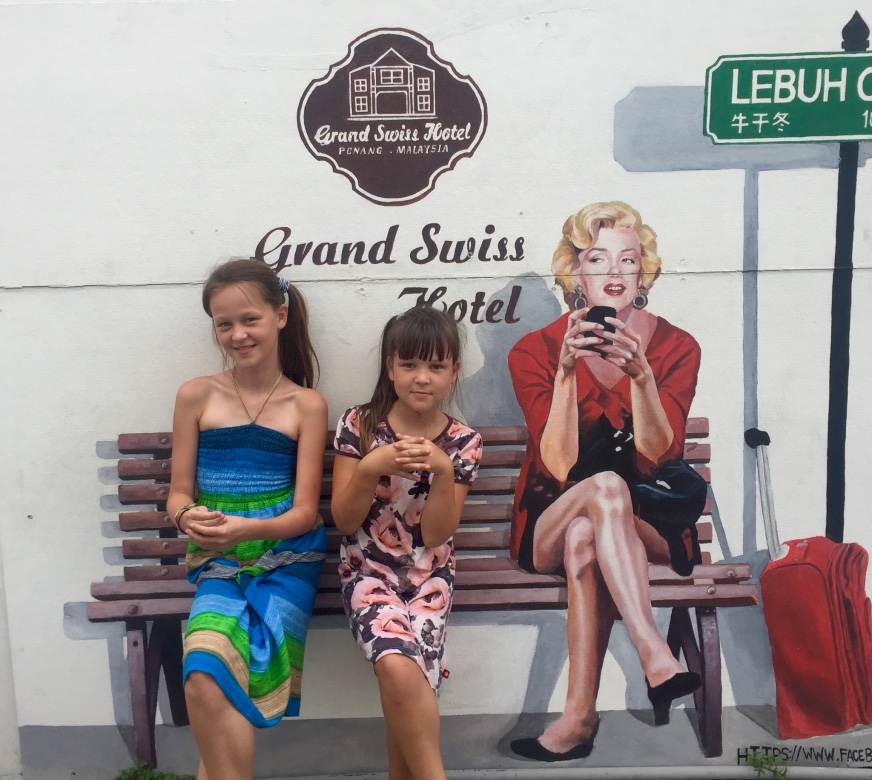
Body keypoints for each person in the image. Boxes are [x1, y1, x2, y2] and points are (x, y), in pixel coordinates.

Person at [507, 201, 707, 761]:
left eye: (629, 258)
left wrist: (642, 378)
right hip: (551, 519)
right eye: (597, 259)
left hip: (650, 521)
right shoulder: (533, 351)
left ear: (644, 272)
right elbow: (557, 465)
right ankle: (654, 653)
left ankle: (578, 719)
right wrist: (565, 373)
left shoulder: (677, 347)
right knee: (599, 494)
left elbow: (660, 457)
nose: (615, 272)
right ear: (576, 273)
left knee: (589, 536)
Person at [166, 259, 328, 780]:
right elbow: (178, 494)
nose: (237, 334)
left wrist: (249, 529)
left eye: (249, 319)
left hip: (288, 559)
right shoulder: (196, 395)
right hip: (218, 559)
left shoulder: (306, 405)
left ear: (280, 315)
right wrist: (188, 517)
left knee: (221, 679)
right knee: (202, 674)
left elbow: (305, 513)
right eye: (224, 324)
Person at [331, 306, 482, 780]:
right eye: (410, 364)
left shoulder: (463, 442)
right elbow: (344, 520)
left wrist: (442, 470)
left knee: (409, 684)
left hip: (429, 581)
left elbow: (436, 535)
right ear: (390, 368)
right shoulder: (359, 424)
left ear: (454, 371)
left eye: (436, 366)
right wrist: (372, 467)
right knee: (399, 667)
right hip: (367, 574)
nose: (422, 378)